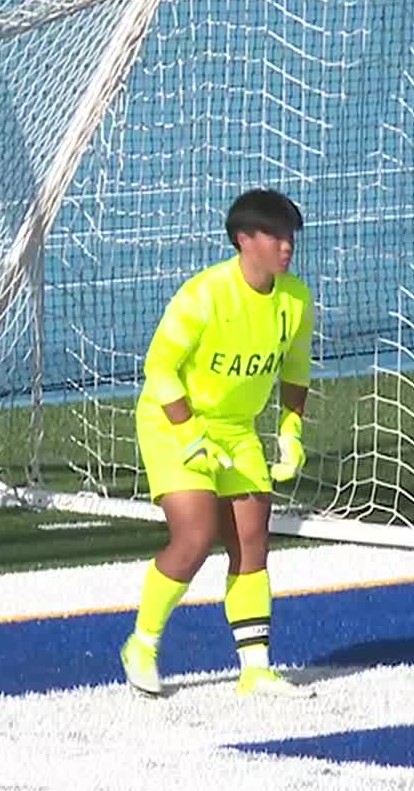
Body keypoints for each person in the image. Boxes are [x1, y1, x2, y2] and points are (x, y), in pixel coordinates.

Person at [119, 188, 317, 699]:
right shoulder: (204, 295)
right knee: (196, 535)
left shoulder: (295, 299)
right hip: (172, 421)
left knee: (252, 541)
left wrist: (290, 431)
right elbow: (159, 369)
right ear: (242, 240)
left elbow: (295, 369)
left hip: (236, 428)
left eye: (289, 234)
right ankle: (142, 644)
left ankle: (255, 670)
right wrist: (188, 436)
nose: (285, 245)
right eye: (273, 234)